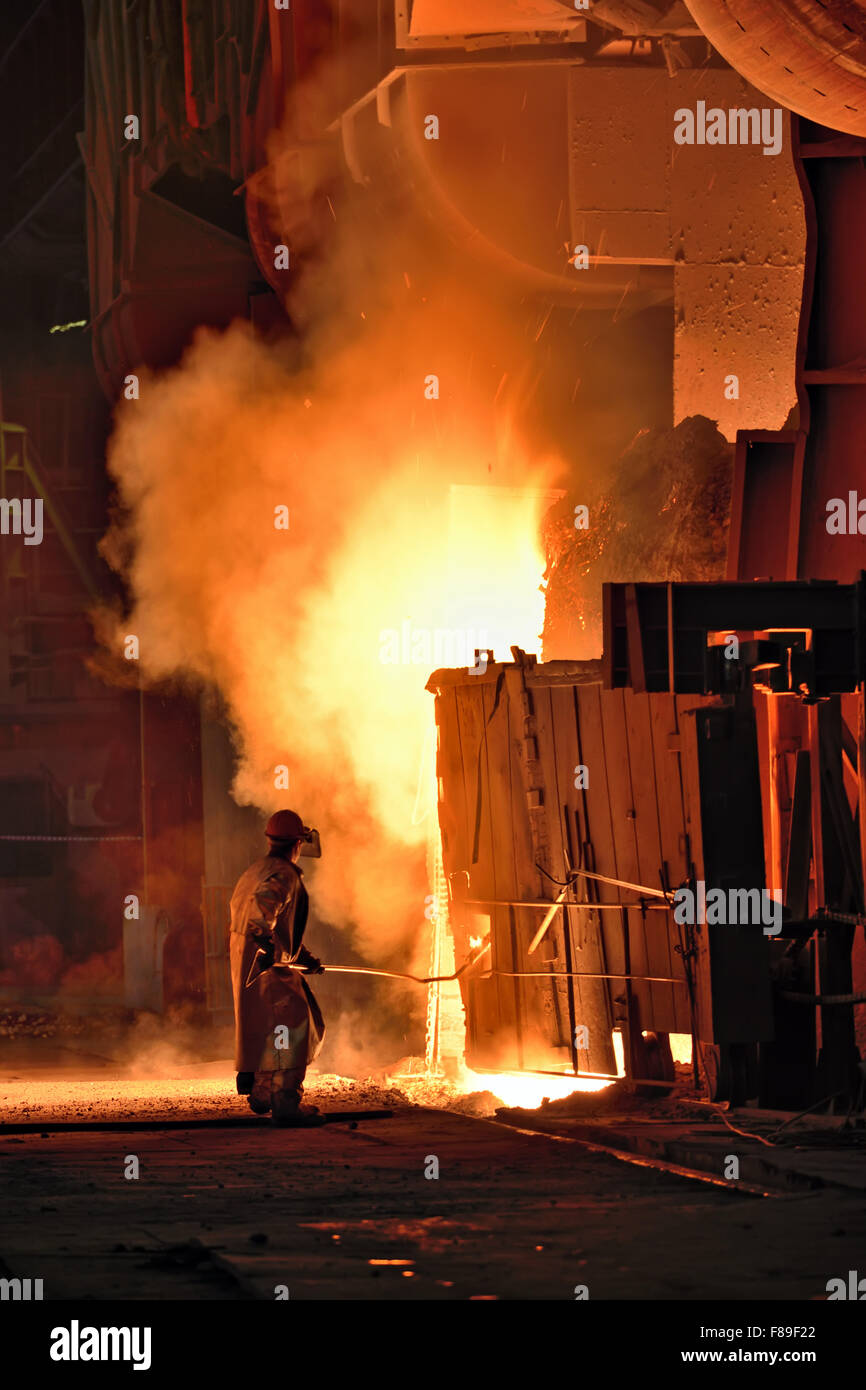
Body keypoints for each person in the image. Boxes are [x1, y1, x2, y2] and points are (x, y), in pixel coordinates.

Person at [229, 809, 325, 1124]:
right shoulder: (283, 874)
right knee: (293, 1026)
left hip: (251, 960)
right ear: (298, 842)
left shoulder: (256, 869)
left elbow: (280, 925)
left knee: (268, 1026)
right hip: (265, 963)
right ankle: (286, 1104)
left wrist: (303, 956)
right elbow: (263, 910)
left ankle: (262, 1092)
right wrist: (265, 942)